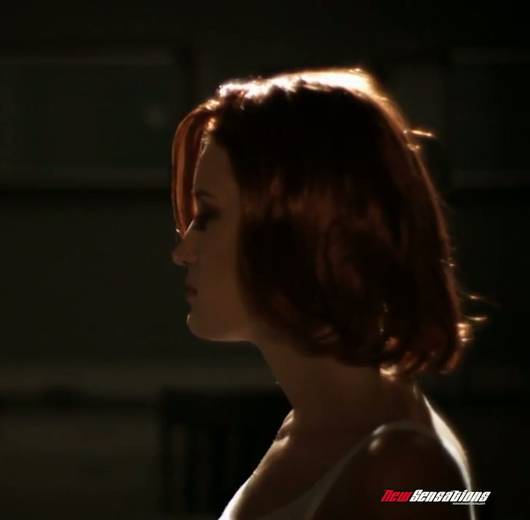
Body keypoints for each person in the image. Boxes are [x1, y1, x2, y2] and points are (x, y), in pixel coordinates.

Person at [171, 69, 479, 519]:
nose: (182, 251)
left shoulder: (404, 476)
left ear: (303, 231)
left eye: (209, 216)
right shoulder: (311, 424)